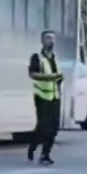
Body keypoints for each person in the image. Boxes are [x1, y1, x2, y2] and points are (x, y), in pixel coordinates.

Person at [27, 30, 64, 165]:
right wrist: (49, 78)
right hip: (42, 96)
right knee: (43, 127)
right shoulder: (37, 57)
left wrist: (59, 80)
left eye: (53, 39)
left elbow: (59, 76)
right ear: (42, 41)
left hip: (55, 96)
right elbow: (32, 74)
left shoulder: (55, 58)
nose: (51, 41)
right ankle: (33, 146)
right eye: (48, 38)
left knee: (54, 127)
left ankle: (45, 154)